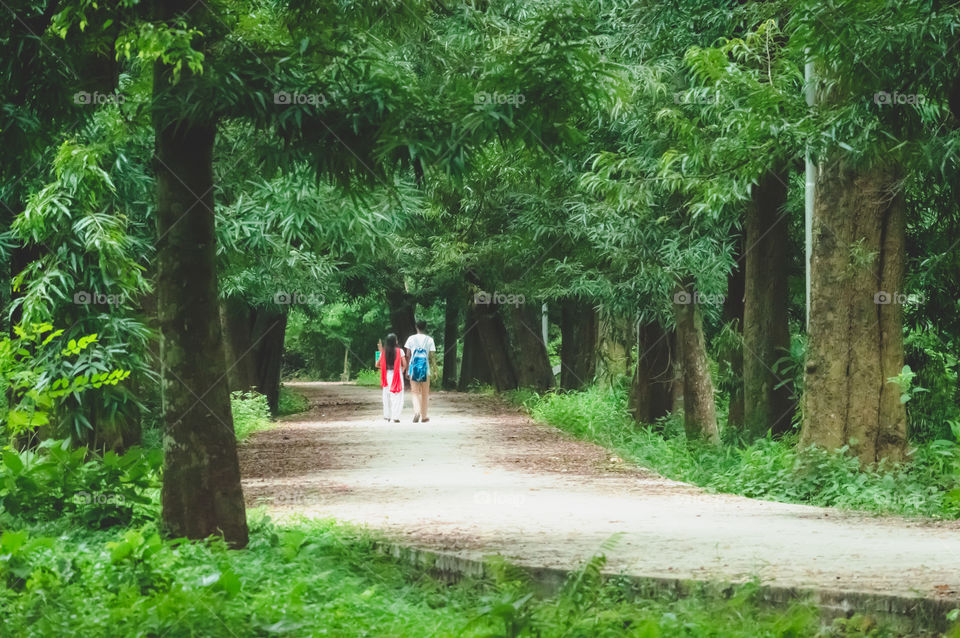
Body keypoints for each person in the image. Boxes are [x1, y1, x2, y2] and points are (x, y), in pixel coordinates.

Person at [404, 320, 437, 423]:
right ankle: (424, 416)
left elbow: (408, 355)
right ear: (425, 327)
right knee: (425, 393)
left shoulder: (411, 339)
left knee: (414, 392)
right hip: (425, 369)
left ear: (416, 327)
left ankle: (416, 412)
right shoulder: (430, 340)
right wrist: (435, 370)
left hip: (413, 369)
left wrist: (407, 370)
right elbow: (432, 357)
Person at [378, 334, 405, 422]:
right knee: (397, 396)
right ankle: (396, 417)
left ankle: (387, 416)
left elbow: (377, 364)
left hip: (386, 375)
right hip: (397, 375)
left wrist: (384, 367)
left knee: (386, 396)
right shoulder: (399, 351)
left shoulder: (383, 352)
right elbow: (404, 364)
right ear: (395, 341)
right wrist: (402, 371)